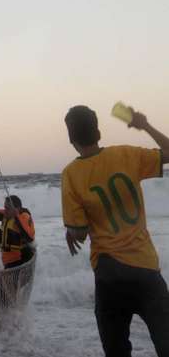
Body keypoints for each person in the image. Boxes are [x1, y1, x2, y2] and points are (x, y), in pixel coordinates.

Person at [63, 104, 169, 356]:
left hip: (110, 276)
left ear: (71, 137)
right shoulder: (126, 155)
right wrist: (144, 125)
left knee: (117, 351)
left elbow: (78, 232)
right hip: (145, 270)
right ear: (98, 130)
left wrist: (72, 230)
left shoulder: (71, 174)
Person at [0, 184, 35, 305]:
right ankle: (5, 317)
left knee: (4, 281)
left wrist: (16, 216)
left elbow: (29, 236)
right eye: (5, 207)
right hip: (10, 265)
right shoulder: (6, 215)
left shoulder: (24, 217)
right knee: (1, 297)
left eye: (8, 208)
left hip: (23, 262)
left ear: (17, 209)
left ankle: (15, 316)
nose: (5, 210)